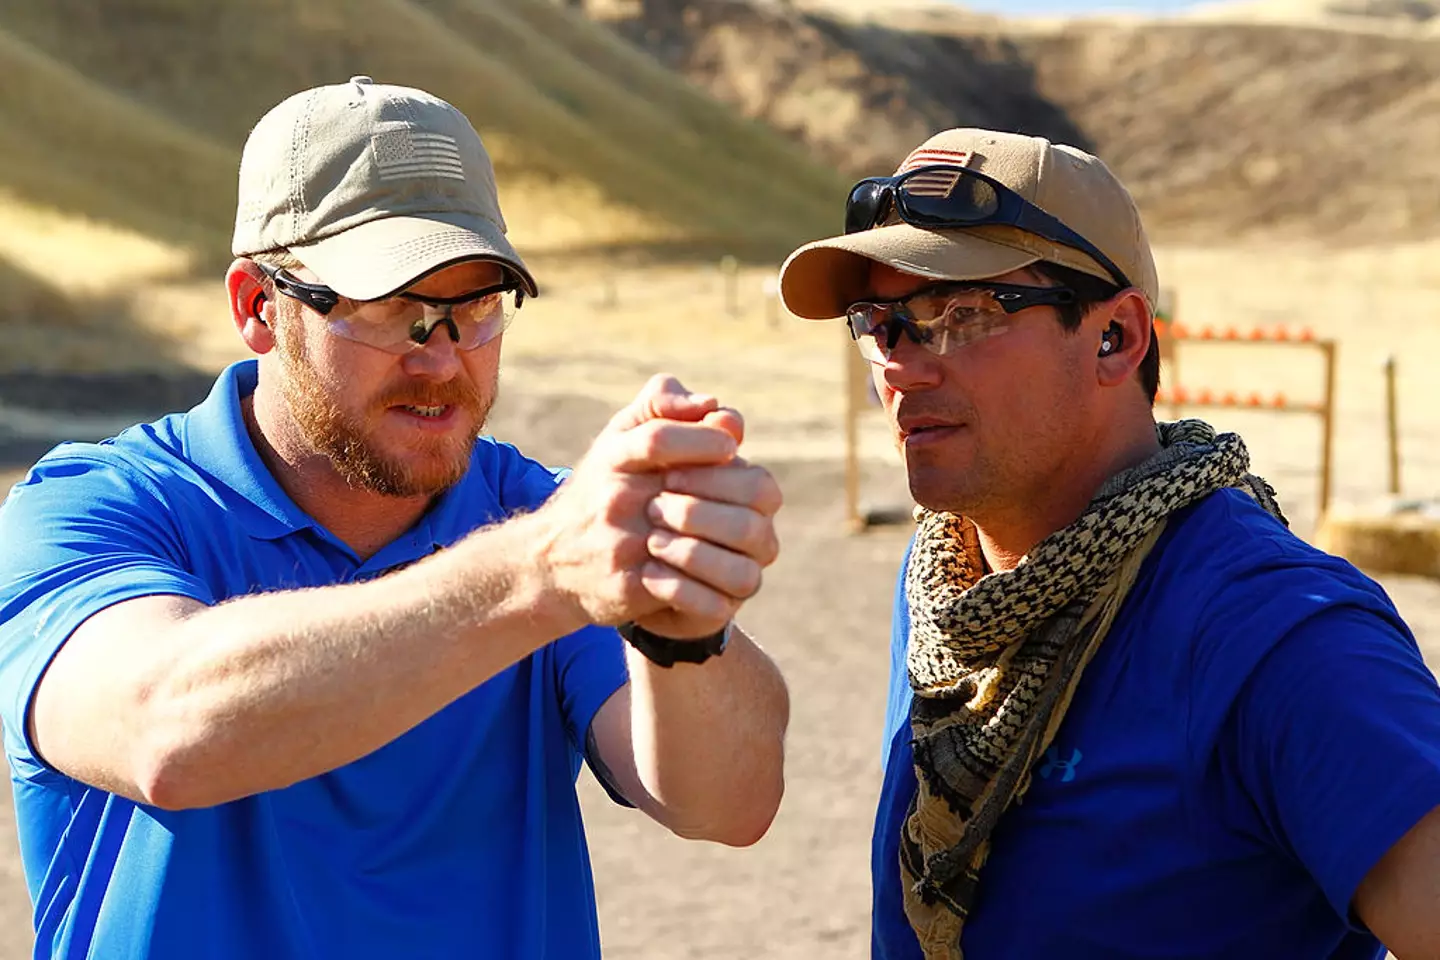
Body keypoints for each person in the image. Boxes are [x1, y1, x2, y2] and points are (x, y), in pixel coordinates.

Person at [0, 77, 790, 959]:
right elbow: (167, 734)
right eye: (391, 308)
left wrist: (680, 626)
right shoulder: (95, 507)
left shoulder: (543, 517)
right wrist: (537, 573)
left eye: (475, 306)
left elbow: (730, 805)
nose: (442, 360)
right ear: (257, 306)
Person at [778, 128, 1440, 959]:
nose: (903, 365)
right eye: (883, 323)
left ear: (1116, 337)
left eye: (963, 314)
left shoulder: (1271, 633)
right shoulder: (947, 585)